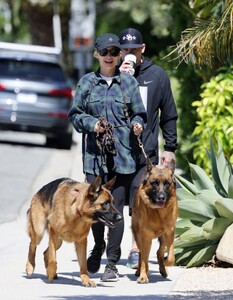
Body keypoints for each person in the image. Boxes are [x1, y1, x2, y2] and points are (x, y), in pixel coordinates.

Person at [68, 33, 147, 281]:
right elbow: (74, 114)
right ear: (97, 54)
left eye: (114, 52)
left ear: (120, 54)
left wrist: (136, 124)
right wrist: (92, 124)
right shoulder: (86, 83)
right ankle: (98, 245)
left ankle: (111, 264)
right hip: (95, 158)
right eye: (105, 52)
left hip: (124, 157)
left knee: (116, 211)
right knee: (95, 209)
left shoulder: (129, 84)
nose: (110, 57)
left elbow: (140, 113)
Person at [118, 28, 178, 269]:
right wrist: (120, 78)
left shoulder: (158, 76)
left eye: (134, 49)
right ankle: (108, 248)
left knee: (139, 201)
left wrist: (170, 146)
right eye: (125, 50)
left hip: (147, 152)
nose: (129, 53)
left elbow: (169, 114)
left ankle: (135, 249)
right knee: (117, 202)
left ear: (142, 49)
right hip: (118, 151)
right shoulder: (113, 73)